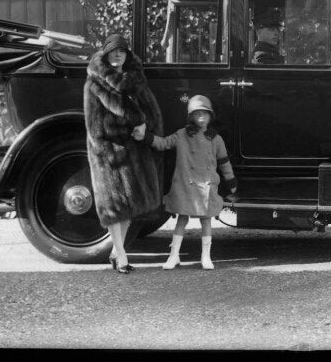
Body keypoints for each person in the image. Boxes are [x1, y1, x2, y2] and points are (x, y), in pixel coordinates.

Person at [83, 33, 164, 274]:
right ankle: (122, 256)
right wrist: (127, 129)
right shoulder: (95, 84)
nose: (118, 55)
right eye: (114, 51)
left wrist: (145, 127)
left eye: (122, 51)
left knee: (129, 209)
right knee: (115, 209)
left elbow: (153, 112)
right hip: (109, 153)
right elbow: (94, 127)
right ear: (106, 53)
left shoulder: (135, 81)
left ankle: (115, 252)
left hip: (134, 150)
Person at [133, 94, 237, 270]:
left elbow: (224, 162)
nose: (201, 117)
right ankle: (173, 255)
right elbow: (164, 143)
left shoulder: (216, 139)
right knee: (182, 218)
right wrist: (146, 137)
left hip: (207, 185)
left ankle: (206, 256)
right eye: (197, 113)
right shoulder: (182, 135)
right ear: (191, 116)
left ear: (211, 116)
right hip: (185, 184)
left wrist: (231, 180)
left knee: (206, 220)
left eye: (205, 113)